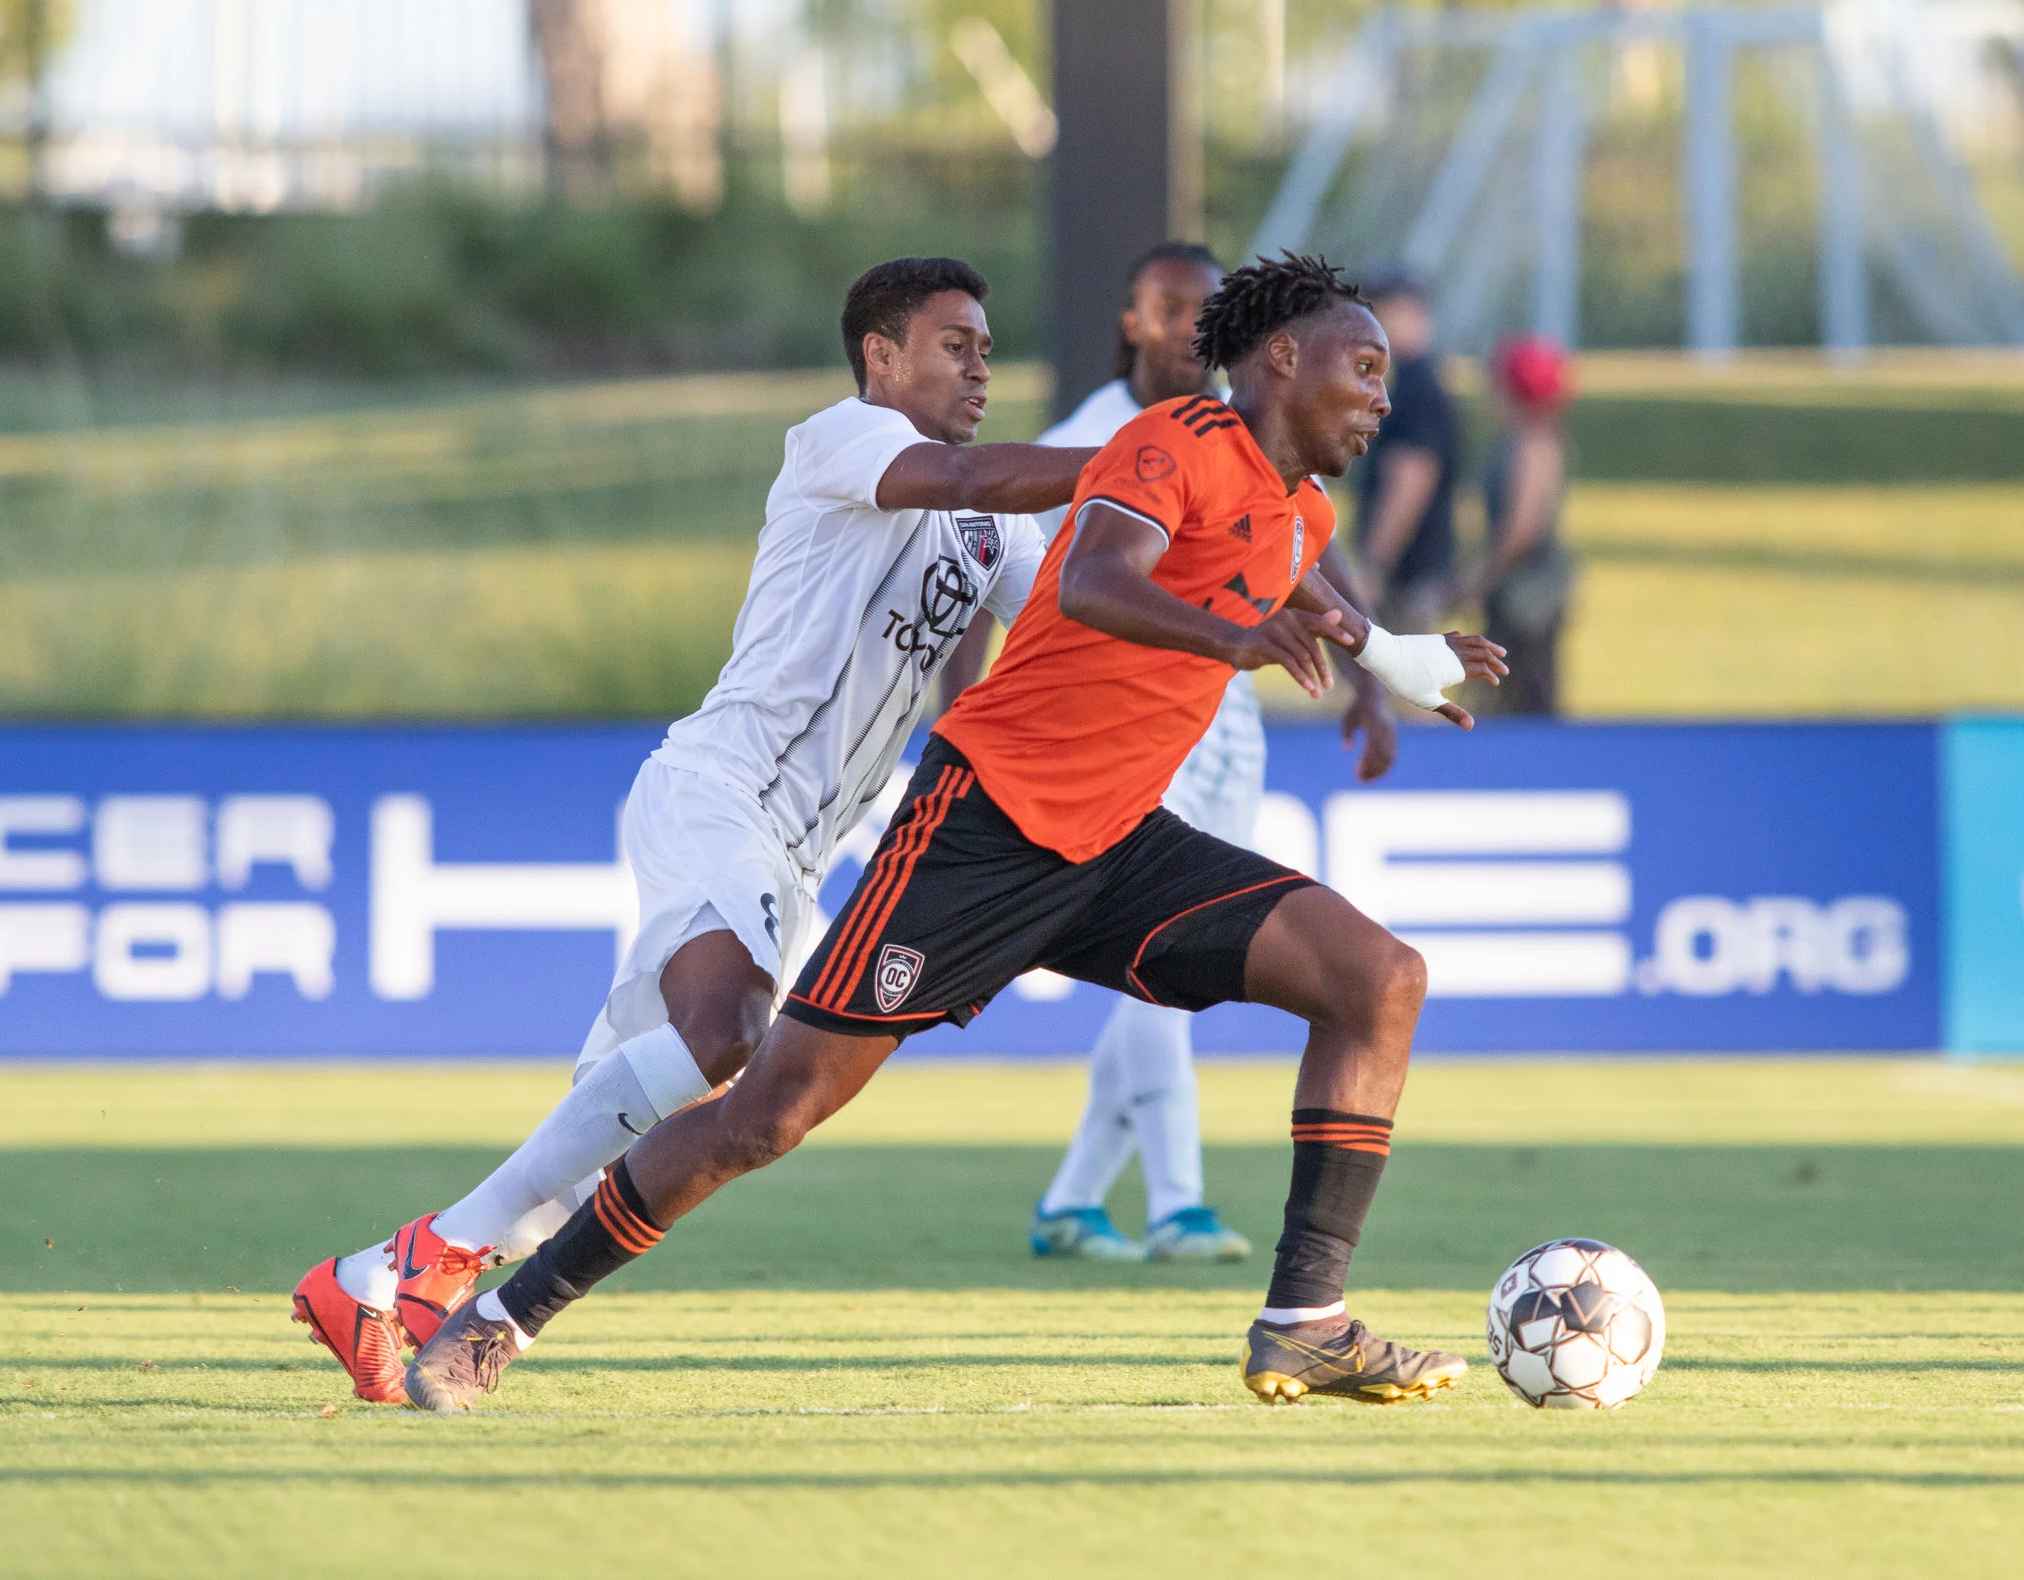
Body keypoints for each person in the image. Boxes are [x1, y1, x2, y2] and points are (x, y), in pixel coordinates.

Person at [403, 253, 1509, 1415]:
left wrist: (1394, 662)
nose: (1385, 395)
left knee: (1377, 979)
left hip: (1120, 845)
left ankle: (1305, 1320)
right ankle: (498, 1316)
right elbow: (1090, 580)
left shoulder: (1299, 507)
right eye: (1366, 366)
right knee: (762, 1115)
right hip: (979, 826)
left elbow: (1304, 591)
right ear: (1281, 357)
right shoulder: (1174, 439)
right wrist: (1226, 641)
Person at [289, 256, 1099, 1404]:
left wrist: (1269, 608)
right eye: (953, 342)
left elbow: (1075, 597)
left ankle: (376, 1275)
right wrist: (1139, 458)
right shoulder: (844, 438)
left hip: (796, 847)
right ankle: (431, 1256)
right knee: (727, 1032)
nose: (980, 364)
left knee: (619, 1123)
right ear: (880, 355)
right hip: (721, 790)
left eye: (984, 345)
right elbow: (970, 470)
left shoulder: (981, 519)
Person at [1021, 240, 1400, 1266]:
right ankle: (1179, 1198)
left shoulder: (1254, 443)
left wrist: (1378, 668)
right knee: (1162, 961)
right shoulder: (1108, 437)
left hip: (1222, 713)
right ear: (1132, 318)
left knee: (1167, 962)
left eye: (1203, 306)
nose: (1189, 326)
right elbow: (1025, 572)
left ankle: (1070, 1198)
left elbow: (1301, 552)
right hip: (1123, 717)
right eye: (1168, 306)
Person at [1460, 334, 1575, 716]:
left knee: (1520, 704)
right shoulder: (1529, 438)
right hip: (1522, 594)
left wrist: (1479, 577)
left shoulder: (1531, 442)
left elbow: (1522, 527)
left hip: (1526, 600)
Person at [1346, 270, 1462, 633]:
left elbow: (1410, 481)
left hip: (1408, 580)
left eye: (1376, 310)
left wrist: (1374, 565)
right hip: (1406, 575)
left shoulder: (1418, 390)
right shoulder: (1412, 381)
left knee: (1397, 686)